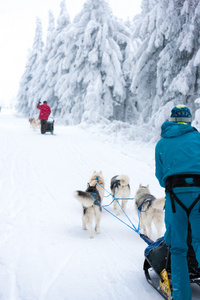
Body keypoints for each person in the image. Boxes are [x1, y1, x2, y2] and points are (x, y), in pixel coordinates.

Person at [155, 104, 200, 300]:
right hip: (199, 193)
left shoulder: (162, 144)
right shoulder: (198, 138)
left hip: (175, 197)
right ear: (189, 120)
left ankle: (182, 296)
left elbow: (160, 175)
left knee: (178, 247)